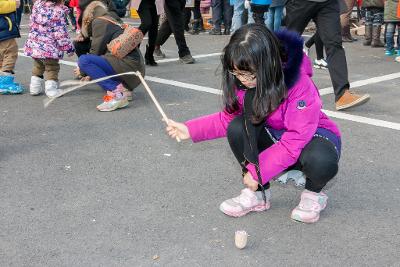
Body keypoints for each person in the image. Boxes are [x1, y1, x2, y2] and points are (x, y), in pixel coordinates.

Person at [166, 24, 341, 223]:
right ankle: (259, 194)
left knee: (322, 161)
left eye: (250, 75)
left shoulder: (299, 85)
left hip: (310, 139)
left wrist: (258, 171)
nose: (244, 80)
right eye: (237, 73)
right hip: (275, 139)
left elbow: (296, 138)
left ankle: (313, 194)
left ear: (270, 64)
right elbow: (227, 119)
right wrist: (190, 129)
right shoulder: (244, 81)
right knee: (237, 127)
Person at [285, 0, 370, 111]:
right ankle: (270, 87)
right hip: (302, 2)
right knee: (288, 45)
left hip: (328, 3)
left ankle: (342, 94)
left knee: (334, 43)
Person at [77, 0, 145, 111]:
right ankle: (123, 89)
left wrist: (82, 71)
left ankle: (117, 92)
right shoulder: (111, 18)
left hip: (128, 67)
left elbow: (96, 51)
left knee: (84, 60)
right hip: (136, 68)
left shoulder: (98, 22)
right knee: (99, 61)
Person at [24, 0, 75, 98]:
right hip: (51, 48)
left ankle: (34, 88)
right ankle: (51, 90)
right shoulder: (58, 11)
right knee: (52, 68)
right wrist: (69, 48)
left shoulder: (37, 5)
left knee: (38, 66)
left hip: (35, 45)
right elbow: (60, 33)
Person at [0, 0, 23, 94]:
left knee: (2, 54)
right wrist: (13, 4)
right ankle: (5, 82)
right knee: (10, 52)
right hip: (3, 28)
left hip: (3, 27)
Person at [131, 0, 163, 66]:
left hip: (156, 2)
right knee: (147, 23)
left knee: (154, 28)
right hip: (142, 3)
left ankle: (149, 55)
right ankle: (133, 48)